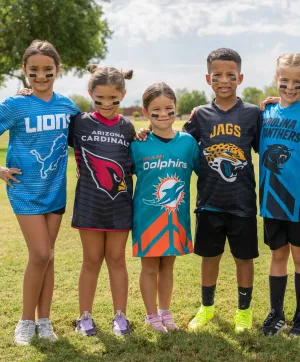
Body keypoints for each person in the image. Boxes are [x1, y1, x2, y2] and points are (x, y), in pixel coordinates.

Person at [0, 40, 79, 345]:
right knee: (41, 253)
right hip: (25, 192)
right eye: (34, 70)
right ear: (25, 70)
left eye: (48, 69)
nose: (41, 75)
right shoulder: (15, 105)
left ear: (57, 70)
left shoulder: (66, 106)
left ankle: (44, 321)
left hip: (55, 192)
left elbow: (89, 138)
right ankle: (25, 321)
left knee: (48, 257)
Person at [184, 48, 261, 332]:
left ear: (240, 77)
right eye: (218, 75)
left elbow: (268, 146)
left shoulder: (253, 114)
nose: (224, 80)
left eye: (230, 75)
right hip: (209, 202)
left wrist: (280, 105)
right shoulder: (200, 116)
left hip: (242, 202)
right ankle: (206, 308)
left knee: (244, 258)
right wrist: (144, 133)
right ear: (208, 78)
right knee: (209, 257)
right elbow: (178, 144)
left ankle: (244, 311)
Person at [68, 64, 135, 337]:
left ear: (123, 94)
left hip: (119, 205)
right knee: (91, 260)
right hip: (89, 204)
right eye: (100, 99)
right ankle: (85, 317)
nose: (107, 104)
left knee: (117, 259)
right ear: (90, 93)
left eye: (114, 99)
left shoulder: (128, 127)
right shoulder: (80, 122)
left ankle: (120, 316)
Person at [130, 82, 199, 332]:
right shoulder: (138, 143)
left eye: (168, 109)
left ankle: (165, 312)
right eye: (155, 110)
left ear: (176, 108)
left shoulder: (188, 143)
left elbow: (203, 172)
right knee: (149, 267)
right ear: (145, 112)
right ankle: (151, 315)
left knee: (168, 265)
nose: (163, 115)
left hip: (176, 218)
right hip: (147, 217)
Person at [259, 53, 300, 339]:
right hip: (271, 201)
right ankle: (276, 313)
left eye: (298, 82)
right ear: (276, 80)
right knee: (277, 255)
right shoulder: (266, 112)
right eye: (285, 81)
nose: (290, 87)